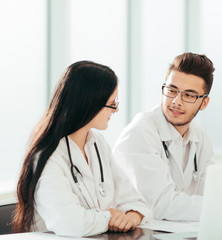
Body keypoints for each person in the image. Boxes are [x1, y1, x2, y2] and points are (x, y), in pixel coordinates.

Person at [13, 61, 149, 237]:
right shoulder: (47, 155)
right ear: (89, 104)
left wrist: (131, 216)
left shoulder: (97, 143)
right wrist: (109, 217)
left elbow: (135, 200)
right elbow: (70, 224)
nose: (115, 110)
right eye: (112, 103)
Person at [113, 52, 215, 221]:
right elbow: (161, 206)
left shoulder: (201, 138)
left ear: (204, 103)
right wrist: (221, 207)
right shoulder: (140, 134)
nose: (176, 101)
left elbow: (212, 191)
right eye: (171, 90)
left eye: (188, 95)